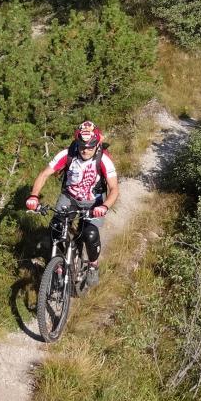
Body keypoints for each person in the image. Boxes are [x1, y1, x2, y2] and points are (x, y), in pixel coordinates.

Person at [25, 120, 119, 288]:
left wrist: (104, 206)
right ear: (77, 142)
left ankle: (93, 265)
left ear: (97, 145)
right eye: (82, 146)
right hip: (69, 198)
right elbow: (44, 174)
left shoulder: (104, 159)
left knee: (90, 234)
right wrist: (34, 196)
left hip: (93, 201)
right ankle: (59, 264)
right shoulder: (67, 153)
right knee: (55, 227)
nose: (85, 151)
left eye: (90, 147)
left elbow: (114, 189)